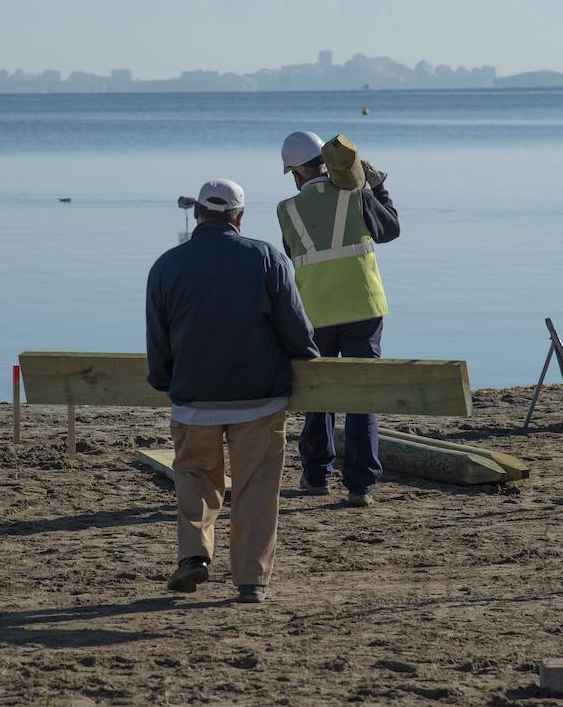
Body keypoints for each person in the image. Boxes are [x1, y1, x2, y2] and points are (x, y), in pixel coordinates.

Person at [146, 178, 319, 603]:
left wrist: (168, 382)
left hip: (193, 400)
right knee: (256, 485)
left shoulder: (167, 264)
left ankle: (194, 557)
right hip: (259, 398)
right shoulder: (265, 257)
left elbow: (158, 339)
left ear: (198, 213)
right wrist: (308, 356)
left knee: (194, 478)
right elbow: (296, 330)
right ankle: (252, 581)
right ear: (239, 217)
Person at [276, 130, 400, 507]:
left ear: (295, 173)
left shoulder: (287, 209)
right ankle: (360, 486)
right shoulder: (355, 194)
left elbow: (292, 250)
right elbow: (390, 230)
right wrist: (376, 188)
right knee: (362, 395)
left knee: (320, 394)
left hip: (315, 311)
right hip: (363, 306)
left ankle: (316, 476)